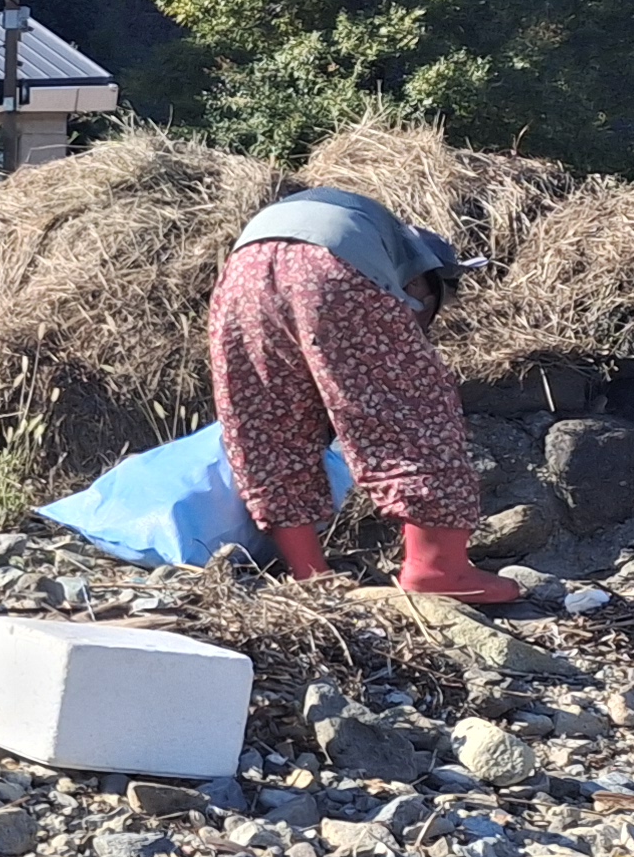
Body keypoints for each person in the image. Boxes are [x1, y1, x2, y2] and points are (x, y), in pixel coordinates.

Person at [207, 186, 521, 605]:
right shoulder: (399, 254)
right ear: (422, 281)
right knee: (411, 413)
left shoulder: (352, 224)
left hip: (243, 271)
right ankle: (437, 569)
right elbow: (396, 407)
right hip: (331, 267)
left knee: (268, 423)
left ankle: (309, 574)